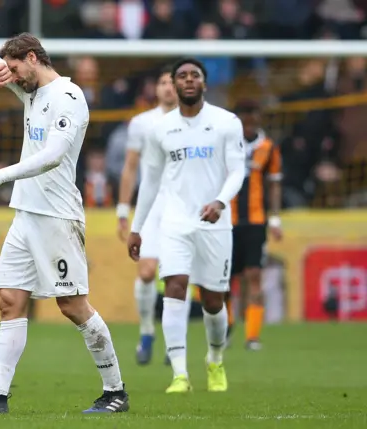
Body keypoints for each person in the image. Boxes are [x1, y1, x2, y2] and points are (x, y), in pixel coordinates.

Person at [0, 33, 129, 414]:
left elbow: (52, 156)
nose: (13, 76)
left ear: (33, 58)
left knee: (73, 305)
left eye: (15, 68)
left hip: (57, 216)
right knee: (9, 301)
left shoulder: (69, 97)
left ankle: (115, 392)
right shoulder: (27, 89)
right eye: (9, 69)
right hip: (25, 214)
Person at [127, 58, 246, 394]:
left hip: (215, 224)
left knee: (212, 301)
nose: (189, 80)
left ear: (204, 84)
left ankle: (215, 358)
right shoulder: (160, 129)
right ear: (173, 86)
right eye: (182, 76)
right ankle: (180, 374)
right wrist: (137, 227)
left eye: (195, 75)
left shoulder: (226, 122)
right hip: (175, 223)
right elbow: (149, 181)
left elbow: (238, 171)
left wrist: (220, 201)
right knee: (175, 288)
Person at [116, 65, 192, 366]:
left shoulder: (195, 123)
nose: (167, 88)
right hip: (151, 204)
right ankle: (147, 330)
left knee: (179, 275)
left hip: (183, 205)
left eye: (171, 83)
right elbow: (131, 167)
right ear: (155, 89)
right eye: (162, 82)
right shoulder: (141, 123)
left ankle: (176, 341)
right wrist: (123, 209)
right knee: (146, 271)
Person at [226, 100, 283, 351]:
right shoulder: (226, 144)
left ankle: (252, 336)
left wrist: (276, 218)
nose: (248, 123)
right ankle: (225, 329)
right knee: (225, 279)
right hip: (227, 221)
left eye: (252, 117)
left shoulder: (268, 148)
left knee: (254, 275)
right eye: (244, 118)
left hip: (256, 221)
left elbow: (274, 184)